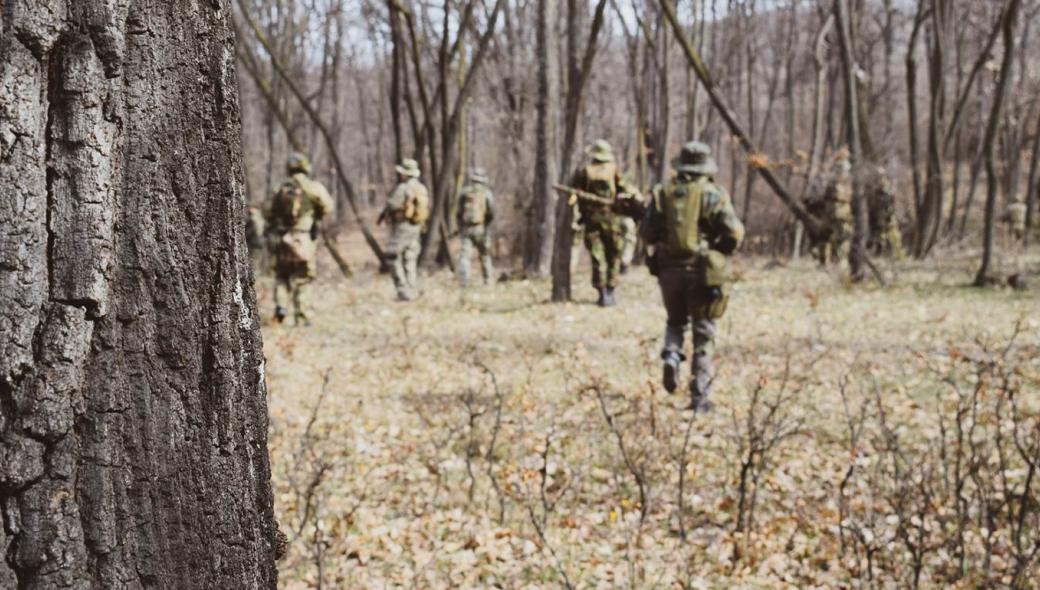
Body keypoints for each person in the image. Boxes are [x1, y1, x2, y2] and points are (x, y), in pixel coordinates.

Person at [642, 141, 745, 412]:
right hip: (701, 272)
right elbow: (734, 233)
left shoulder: (662, 193)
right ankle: (700, 397)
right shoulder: (714, 194)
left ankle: (672, 356)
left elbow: (647, 232)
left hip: (668, 272)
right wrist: (719, 252)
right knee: (703, 332)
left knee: (675, 322)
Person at [264, 152, 334, 325]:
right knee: (303, 278)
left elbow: (267, 212)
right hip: (303, 239)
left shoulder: (278, 187)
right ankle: (302, 316)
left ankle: (281, 307)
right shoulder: (313, 187)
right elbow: (328, 207)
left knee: (282, 275)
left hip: (282, 239)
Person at [568, 139, 640, 306]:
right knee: (613, 255)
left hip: (592, 221)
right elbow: (626, 191)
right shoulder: (614, 170)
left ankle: (602, 293)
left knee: (597, 257)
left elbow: (574, 194)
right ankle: (611, 290)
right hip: (612, 220)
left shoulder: (585, 171)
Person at [379, 158, 430, 301]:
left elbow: (393, 204)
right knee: (410, 257)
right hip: (416, 226)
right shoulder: (421, 188)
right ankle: (412, 288)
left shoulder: (403, 188)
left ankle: (402, 289)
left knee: (391, 255)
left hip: (403, 225)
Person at [456, 167, 495, 286]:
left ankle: (464, 281)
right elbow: (491, 212)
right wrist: (486, 226)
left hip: (467, 229)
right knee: (485, 255)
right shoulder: (486, 193)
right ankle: (488, 281)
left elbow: (458, 212)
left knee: (465, 256)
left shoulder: (465, 192)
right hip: (481, 229)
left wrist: (461, 226)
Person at [866, 167, 904, 259]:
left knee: (894, 237)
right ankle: (878, 255)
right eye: (878, 177)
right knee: (879, 238)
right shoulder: (873, 190)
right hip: (877, 218)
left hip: (888, 217)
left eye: (881, 177)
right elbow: (871, 206)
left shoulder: (888, 190)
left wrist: (889, 216)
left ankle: (899, 256)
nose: (880, 179)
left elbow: (891, 204)